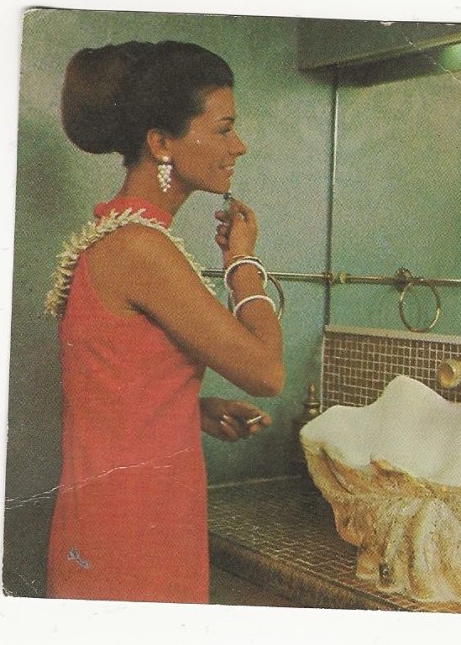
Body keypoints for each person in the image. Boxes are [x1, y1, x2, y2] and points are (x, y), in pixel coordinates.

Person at [44, 41, 284, 603]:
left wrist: (186, 407)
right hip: (134, 542)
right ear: (160, 143)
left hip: (111, 526)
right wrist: (242, 264)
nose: (239, 146)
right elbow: (267, 373)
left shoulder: (115, 236)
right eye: (224, 129)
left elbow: (108, 383)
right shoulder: (140, 248)